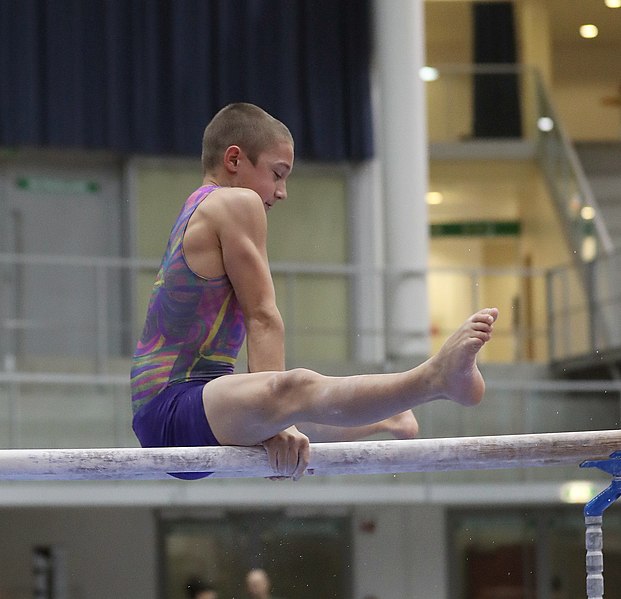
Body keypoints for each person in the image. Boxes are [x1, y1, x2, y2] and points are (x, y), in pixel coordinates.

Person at [130, 102, 499, 481]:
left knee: (302, 406)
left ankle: (390, 416)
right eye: (277, 174)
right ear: (235, 159)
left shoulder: (198, 206)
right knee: (296, 389)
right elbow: (263, 315)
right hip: (172, 408)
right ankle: (435, 379)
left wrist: (274, 419)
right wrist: (273, 424)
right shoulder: (234, 203)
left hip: (201, 404)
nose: (282, 191)